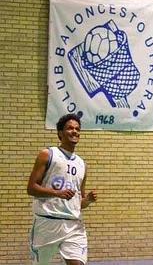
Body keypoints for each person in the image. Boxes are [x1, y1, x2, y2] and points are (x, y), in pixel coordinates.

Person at [27, 113, 97, 265]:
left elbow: (80, 203)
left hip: (74, 225)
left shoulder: (82, 164)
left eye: (77, 129)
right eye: (70, 128)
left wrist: (88, 200)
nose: (75, 131)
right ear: (60, 133)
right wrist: (57, 193)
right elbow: (31, 188)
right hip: (48, 223)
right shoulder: (48, 154)